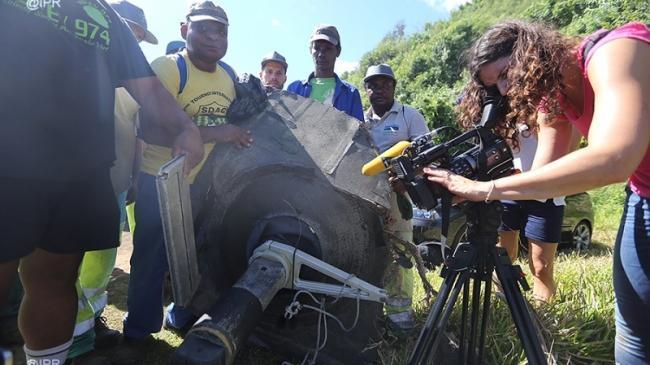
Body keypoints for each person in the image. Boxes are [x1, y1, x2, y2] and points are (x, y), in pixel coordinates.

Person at [423, 21, 650, 364]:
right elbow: (539, 177)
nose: (506, 90)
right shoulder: (556, 102)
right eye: (496, 86)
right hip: (643, 193)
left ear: (528, 50)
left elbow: (614, 158)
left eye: (504, 73)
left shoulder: (615, 50)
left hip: (636, 185)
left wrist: (486, 189)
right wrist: (467, 182)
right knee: (634, 330)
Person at [0, 1, 204, 365]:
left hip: (80, 170)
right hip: (8, 157)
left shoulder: (101, 12)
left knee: (55, 281)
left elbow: (148, 88)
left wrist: (186, 127)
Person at [121, 1, 252, 362]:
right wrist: (217, 132)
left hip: (201, 184)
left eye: (221, 31)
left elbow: (236, 124)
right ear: (184, 30)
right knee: (151, 256)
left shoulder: (228, 75)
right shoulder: (167, 67)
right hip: (159, 181)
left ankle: (181, 315)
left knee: (196, 253)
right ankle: (138, 332)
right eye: (204, 28)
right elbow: (147, 126)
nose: (213, 36)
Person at [66, 1, 160, 364]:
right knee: (64, 260)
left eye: (137, 37)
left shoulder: (136, 81)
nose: (131, 43)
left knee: (100, 260)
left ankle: (88, 321)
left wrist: (135, 177)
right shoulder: (83, 66)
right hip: (77, 180)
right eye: (128, 33)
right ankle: (67, 339)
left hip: (117, 184)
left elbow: (138, 134)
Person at [362, 64, 429, 333]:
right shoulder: (360, 121)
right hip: (366, 195)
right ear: (366, 90)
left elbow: (426, 154)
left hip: (398, 196)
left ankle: (400, 317)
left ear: (394, 87)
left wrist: (407, 178)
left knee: (400, 252)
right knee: (370, 252)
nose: (379, 90)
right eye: (373, 85)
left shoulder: (408, 116)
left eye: (385, 84)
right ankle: (373, 310)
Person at [496, 124, 566, 302]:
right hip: (507, 187)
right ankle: (504, 306)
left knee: (541, 266)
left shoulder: (552, 105)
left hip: (547, 193)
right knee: (503, 257)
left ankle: (543, 320)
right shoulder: (504, 106)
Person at [287, 24, 364, 121]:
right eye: (317, 48)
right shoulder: (294, 89)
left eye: (328, 48)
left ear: (338, 51)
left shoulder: (351, 93)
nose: (321, 54)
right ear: (310, 50)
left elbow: (359, 133)